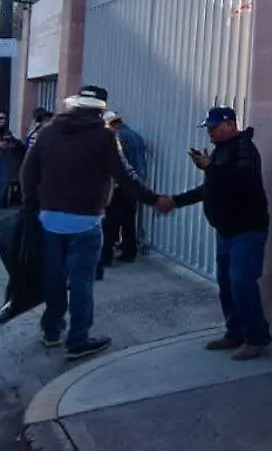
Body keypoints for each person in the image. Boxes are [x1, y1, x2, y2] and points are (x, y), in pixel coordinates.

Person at [20, 85, 173, 360]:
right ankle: (78, 340)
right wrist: (154, 199)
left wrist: (32, 204)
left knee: (53, 278)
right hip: (86, 220)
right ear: (101, 110)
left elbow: (28, 171)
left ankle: (51, 330)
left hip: (49, 219)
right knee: (81, 282)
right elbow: (125, 176)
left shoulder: (48, 132)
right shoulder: (103, 137)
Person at [169, 107, 271, 360]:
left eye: (214, 126)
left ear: (230, 125)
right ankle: (234, 331)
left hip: (247, 231)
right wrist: (175, 201)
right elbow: (211, 189)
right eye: (208, 127)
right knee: (226, 282)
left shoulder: (244, 149)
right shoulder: (220, 151)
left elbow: (242, 181)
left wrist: (210, 168)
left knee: (241, 282)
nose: (210, 132)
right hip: (226, 231)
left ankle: (256, 338)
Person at [98, 110, 146, 275]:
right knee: (129, 220)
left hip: (119, 186)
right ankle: (129, 251)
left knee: (110, 223)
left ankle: (106, 255)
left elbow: (118, 165)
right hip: (136, 184)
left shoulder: (116, 138)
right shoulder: (136, 136)